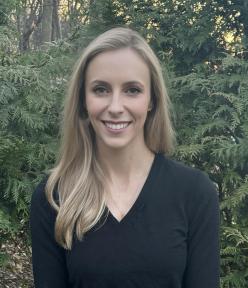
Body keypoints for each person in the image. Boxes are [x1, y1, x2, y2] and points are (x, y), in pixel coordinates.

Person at [30, 27, 220, 288]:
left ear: (151, 99)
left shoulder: (195, 193)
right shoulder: (54, 197)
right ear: (83, 100)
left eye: (132, 90)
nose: (116, 107)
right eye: (101, 89)